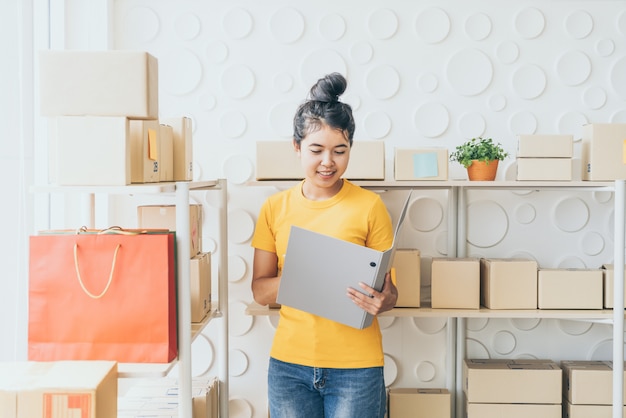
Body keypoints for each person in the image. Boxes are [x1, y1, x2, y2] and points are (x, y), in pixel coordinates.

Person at [251, 72, 398, 418]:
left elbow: (391, 293)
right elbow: (259, 290)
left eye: (340, 151)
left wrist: (384, 300)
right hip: (289, 366)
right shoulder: (275, 208)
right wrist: (312, 277)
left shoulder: (370, 207)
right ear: (297, 146)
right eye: (316, 150)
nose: (328, 162)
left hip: (357, 368)